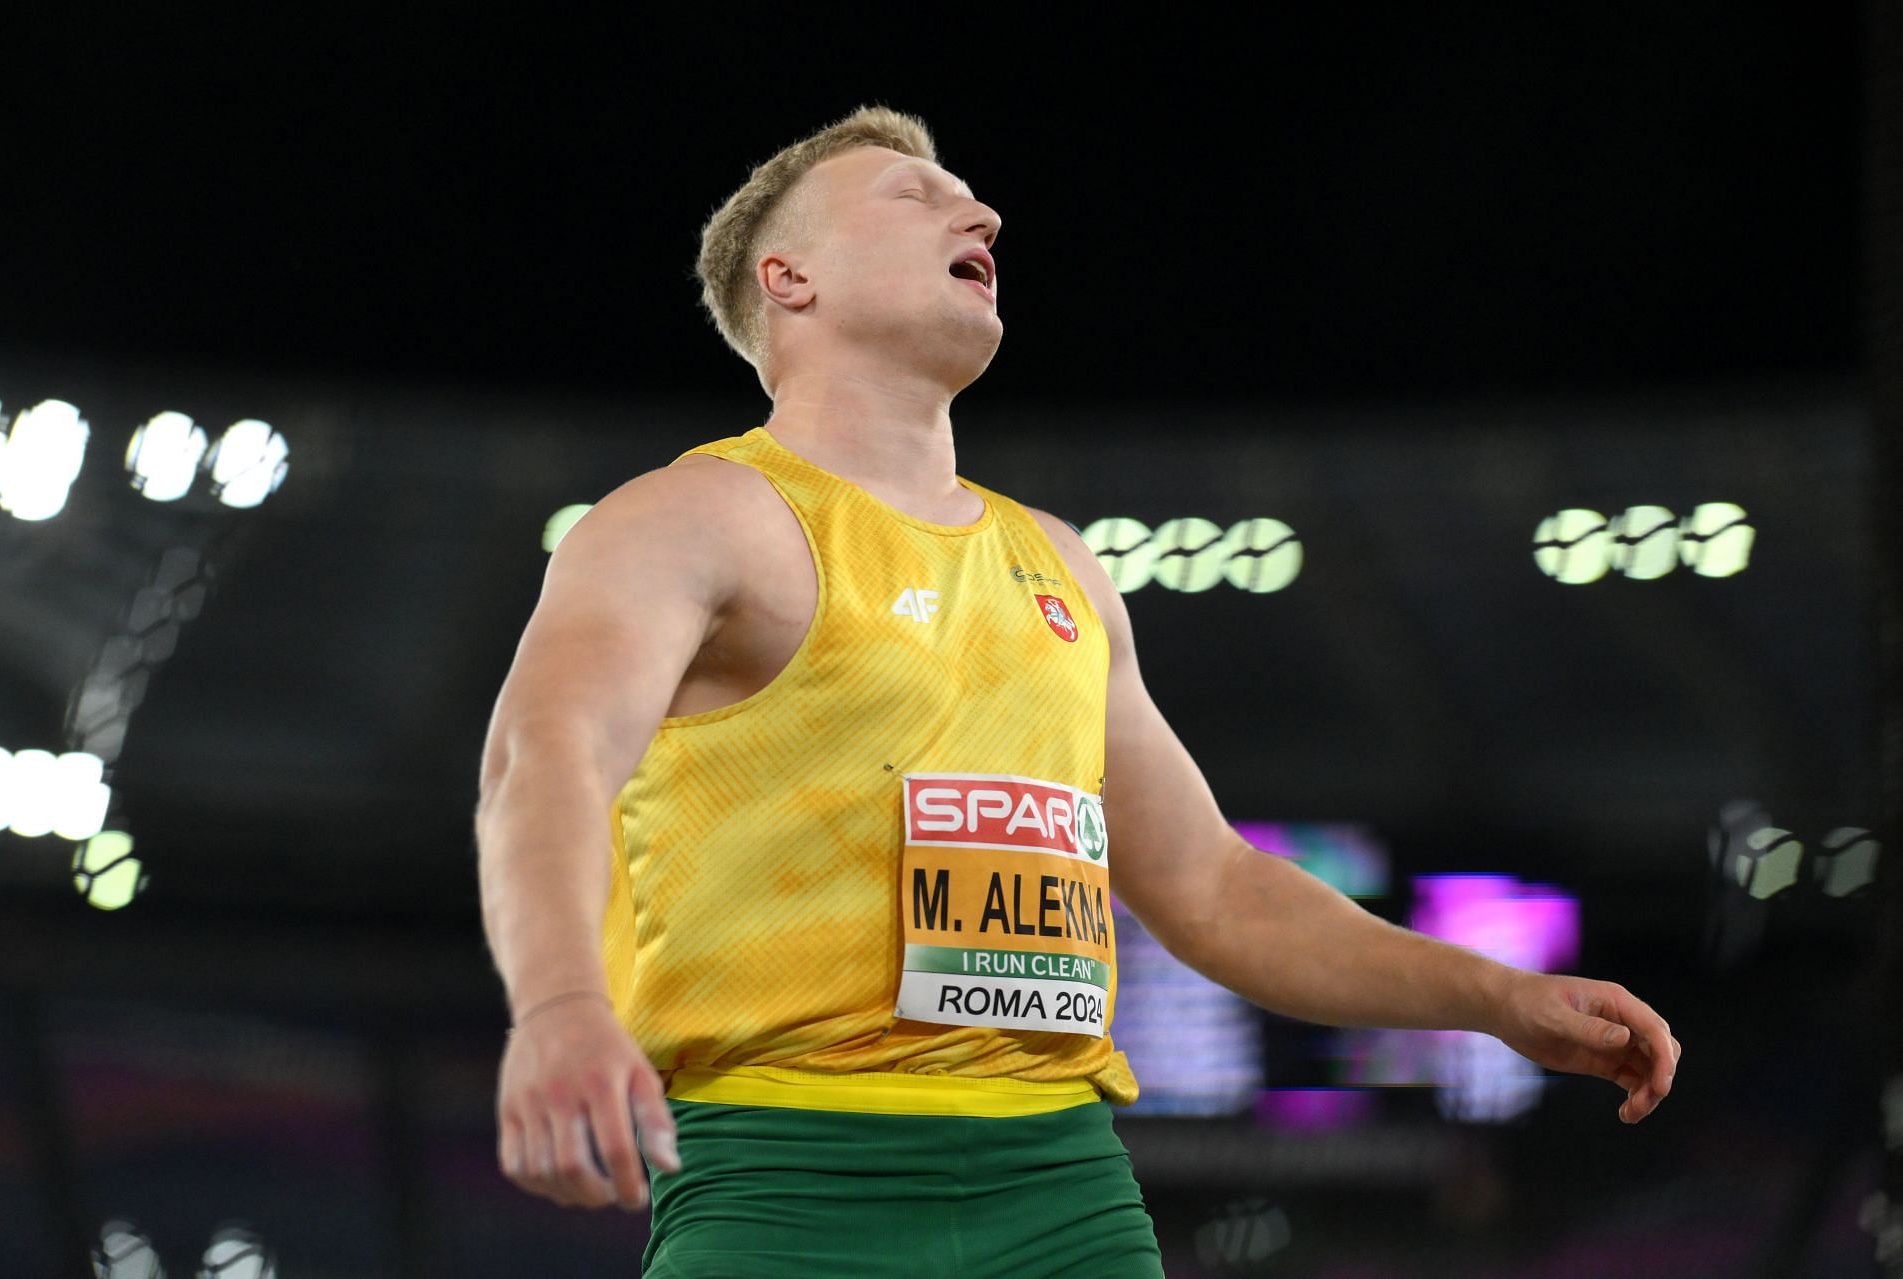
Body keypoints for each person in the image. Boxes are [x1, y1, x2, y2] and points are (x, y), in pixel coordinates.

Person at [475, 105, 1682, 1277]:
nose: (982, 211)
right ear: (790, 278)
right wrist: (562, 1003)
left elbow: (1212, 885)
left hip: (1066, 1193)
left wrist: (1498, 997)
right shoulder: (701, 515)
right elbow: (547, 756)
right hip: (788, 1182)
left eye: (972, 199)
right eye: (917, 194)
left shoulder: (1060, 565)